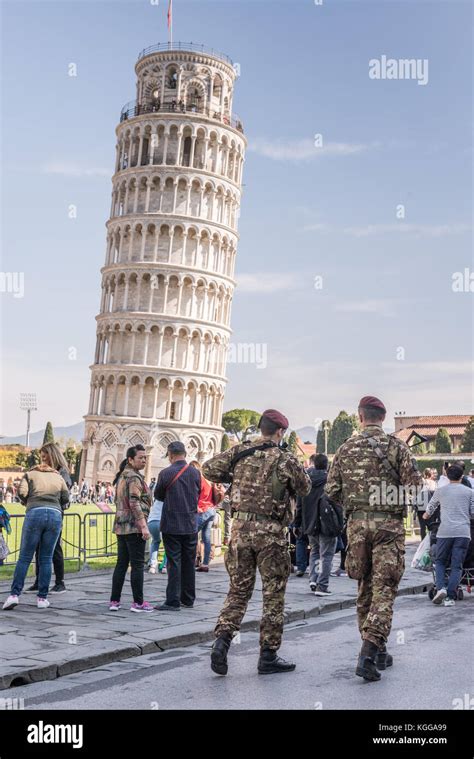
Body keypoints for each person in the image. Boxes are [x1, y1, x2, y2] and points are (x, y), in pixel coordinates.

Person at [203, 409, 311, 676]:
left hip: (240, 530)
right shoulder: (285, 459)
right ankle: (268, 655)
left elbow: (208, 469)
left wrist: (237, 477)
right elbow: (305, 486)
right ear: (280, 432)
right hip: (270, 533)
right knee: (273, 594)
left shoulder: (240, 452)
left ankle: (222, 642)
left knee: (238, 591)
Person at [326, 395, 422, 682]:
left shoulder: (345, 448)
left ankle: (377, 648)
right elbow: (415, 489)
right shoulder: (397, 447)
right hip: (388, 527)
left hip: (356, 527)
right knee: (384, 589)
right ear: (382, 417)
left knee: (365, 587)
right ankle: (368, 652)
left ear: (360, 417)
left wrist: (357, 506)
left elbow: (331, 491)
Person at [3, 444, 70, 610]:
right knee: (46, 558)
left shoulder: (30, 474)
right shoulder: (58, 477)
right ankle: (42, 598)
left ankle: (14, 595)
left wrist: (28, 503)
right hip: (55, 515)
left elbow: (21, 493)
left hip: (35, 513)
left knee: (25, 557)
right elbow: (66, 497)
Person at [154, 441, 201, 610]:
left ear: (171, 455)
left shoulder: (166, 473)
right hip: (190, 523)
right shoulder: (195, 473)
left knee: (174, 562)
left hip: (172, 523)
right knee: (189, 561)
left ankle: (173, 600)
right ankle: (188, 598)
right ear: (184, 454)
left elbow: (158, 495)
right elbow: (198, 493)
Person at [109, 445, 154, 613]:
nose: (143, 460)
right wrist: (144, 527)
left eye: (145, 458)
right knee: (137, 565)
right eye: (140, 458)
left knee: (121, 564)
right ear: (130, 459)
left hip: (121, 525)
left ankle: (115, 601)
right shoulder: (134, 478)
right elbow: (134, 503)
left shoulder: (122, 476)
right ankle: (138, 602)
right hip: (134, 526)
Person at [423, 464, 474, 607]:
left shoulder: (441, 491)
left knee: (440, 562)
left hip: (445, 532)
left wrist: (426, 516)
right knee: (457, 566)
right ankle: (450, 597)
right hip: (463, 533)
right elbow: (473, 512)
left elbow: (430, 508)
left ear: (446, 475)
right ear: (462, 476)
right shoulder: (469, 492)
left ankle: (440, 588)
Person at [26, 446, 72, 594]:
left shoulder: (62, 472)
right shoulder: (43, 471)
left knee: (55, 548)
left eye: (45, 457)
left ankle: (60, 582)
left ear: (52, 456)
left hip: (55, 512)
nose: (43, 460)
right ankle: (39, 581)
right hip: (43, 510)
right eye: (42, 457)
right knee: (38, 547)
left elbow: (65, 491)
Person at [294, 454, 338, 596]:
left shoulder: (306, 480)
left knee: (315, 552)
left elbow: (299, 505)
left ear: (313, 464)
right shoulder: (330, 480)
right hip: (327, 522)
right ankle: (322, 585)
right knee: (326, 554)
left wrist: (297, 523)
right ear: (326, 465)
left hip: (310, 522)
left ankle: (314, 578)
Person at [190, 460, 225, 572]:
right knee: (206, 538)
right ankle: (205, 564)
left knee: (191, 535)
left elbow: (196, 496)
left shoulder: (198, 480)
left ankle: (191, 561)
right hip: (211, 510)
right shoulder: (208, 479)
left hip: (203, 510)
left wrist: (196, 507)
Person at [415, 468, 437, 540]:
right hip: (430, 506)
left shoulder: (420, 482)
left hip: (421, 506)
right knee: (431, 526)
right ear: (430, 474)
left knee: (422, 527)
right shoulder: (433, 483)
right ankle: (431, 541)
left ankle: (423, 542)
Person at [147, 498, 167, 574]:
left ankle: (153, 565)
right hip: (163, 521)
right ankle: (165, 566)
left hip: (152, 521)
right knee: (168, 545)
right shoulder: (169, 499)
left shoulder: (157, 500)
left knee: (155, 542)